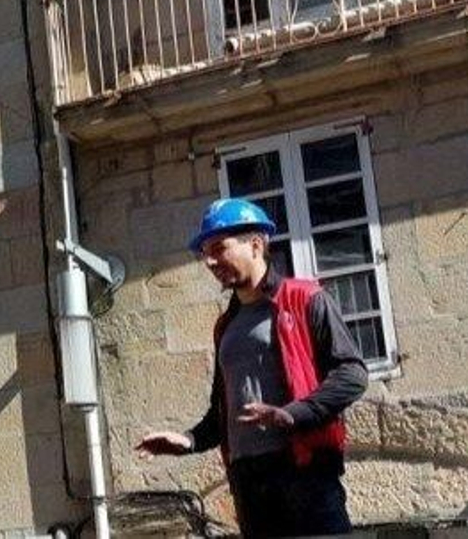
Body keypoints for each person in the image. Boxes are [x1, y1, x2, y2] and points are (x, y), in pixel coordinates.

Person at [135, 198, 368, 538]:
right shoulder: (225, 326)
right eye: (204, 253)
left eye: (219, 248)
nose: (209, 261)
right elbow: (222, 412)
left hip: (305, 474)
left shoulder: (306, 298)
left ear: (256, 244)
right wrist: (188, 440)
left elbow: (352, 374)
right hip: (249, 484)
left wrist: (293, 414)